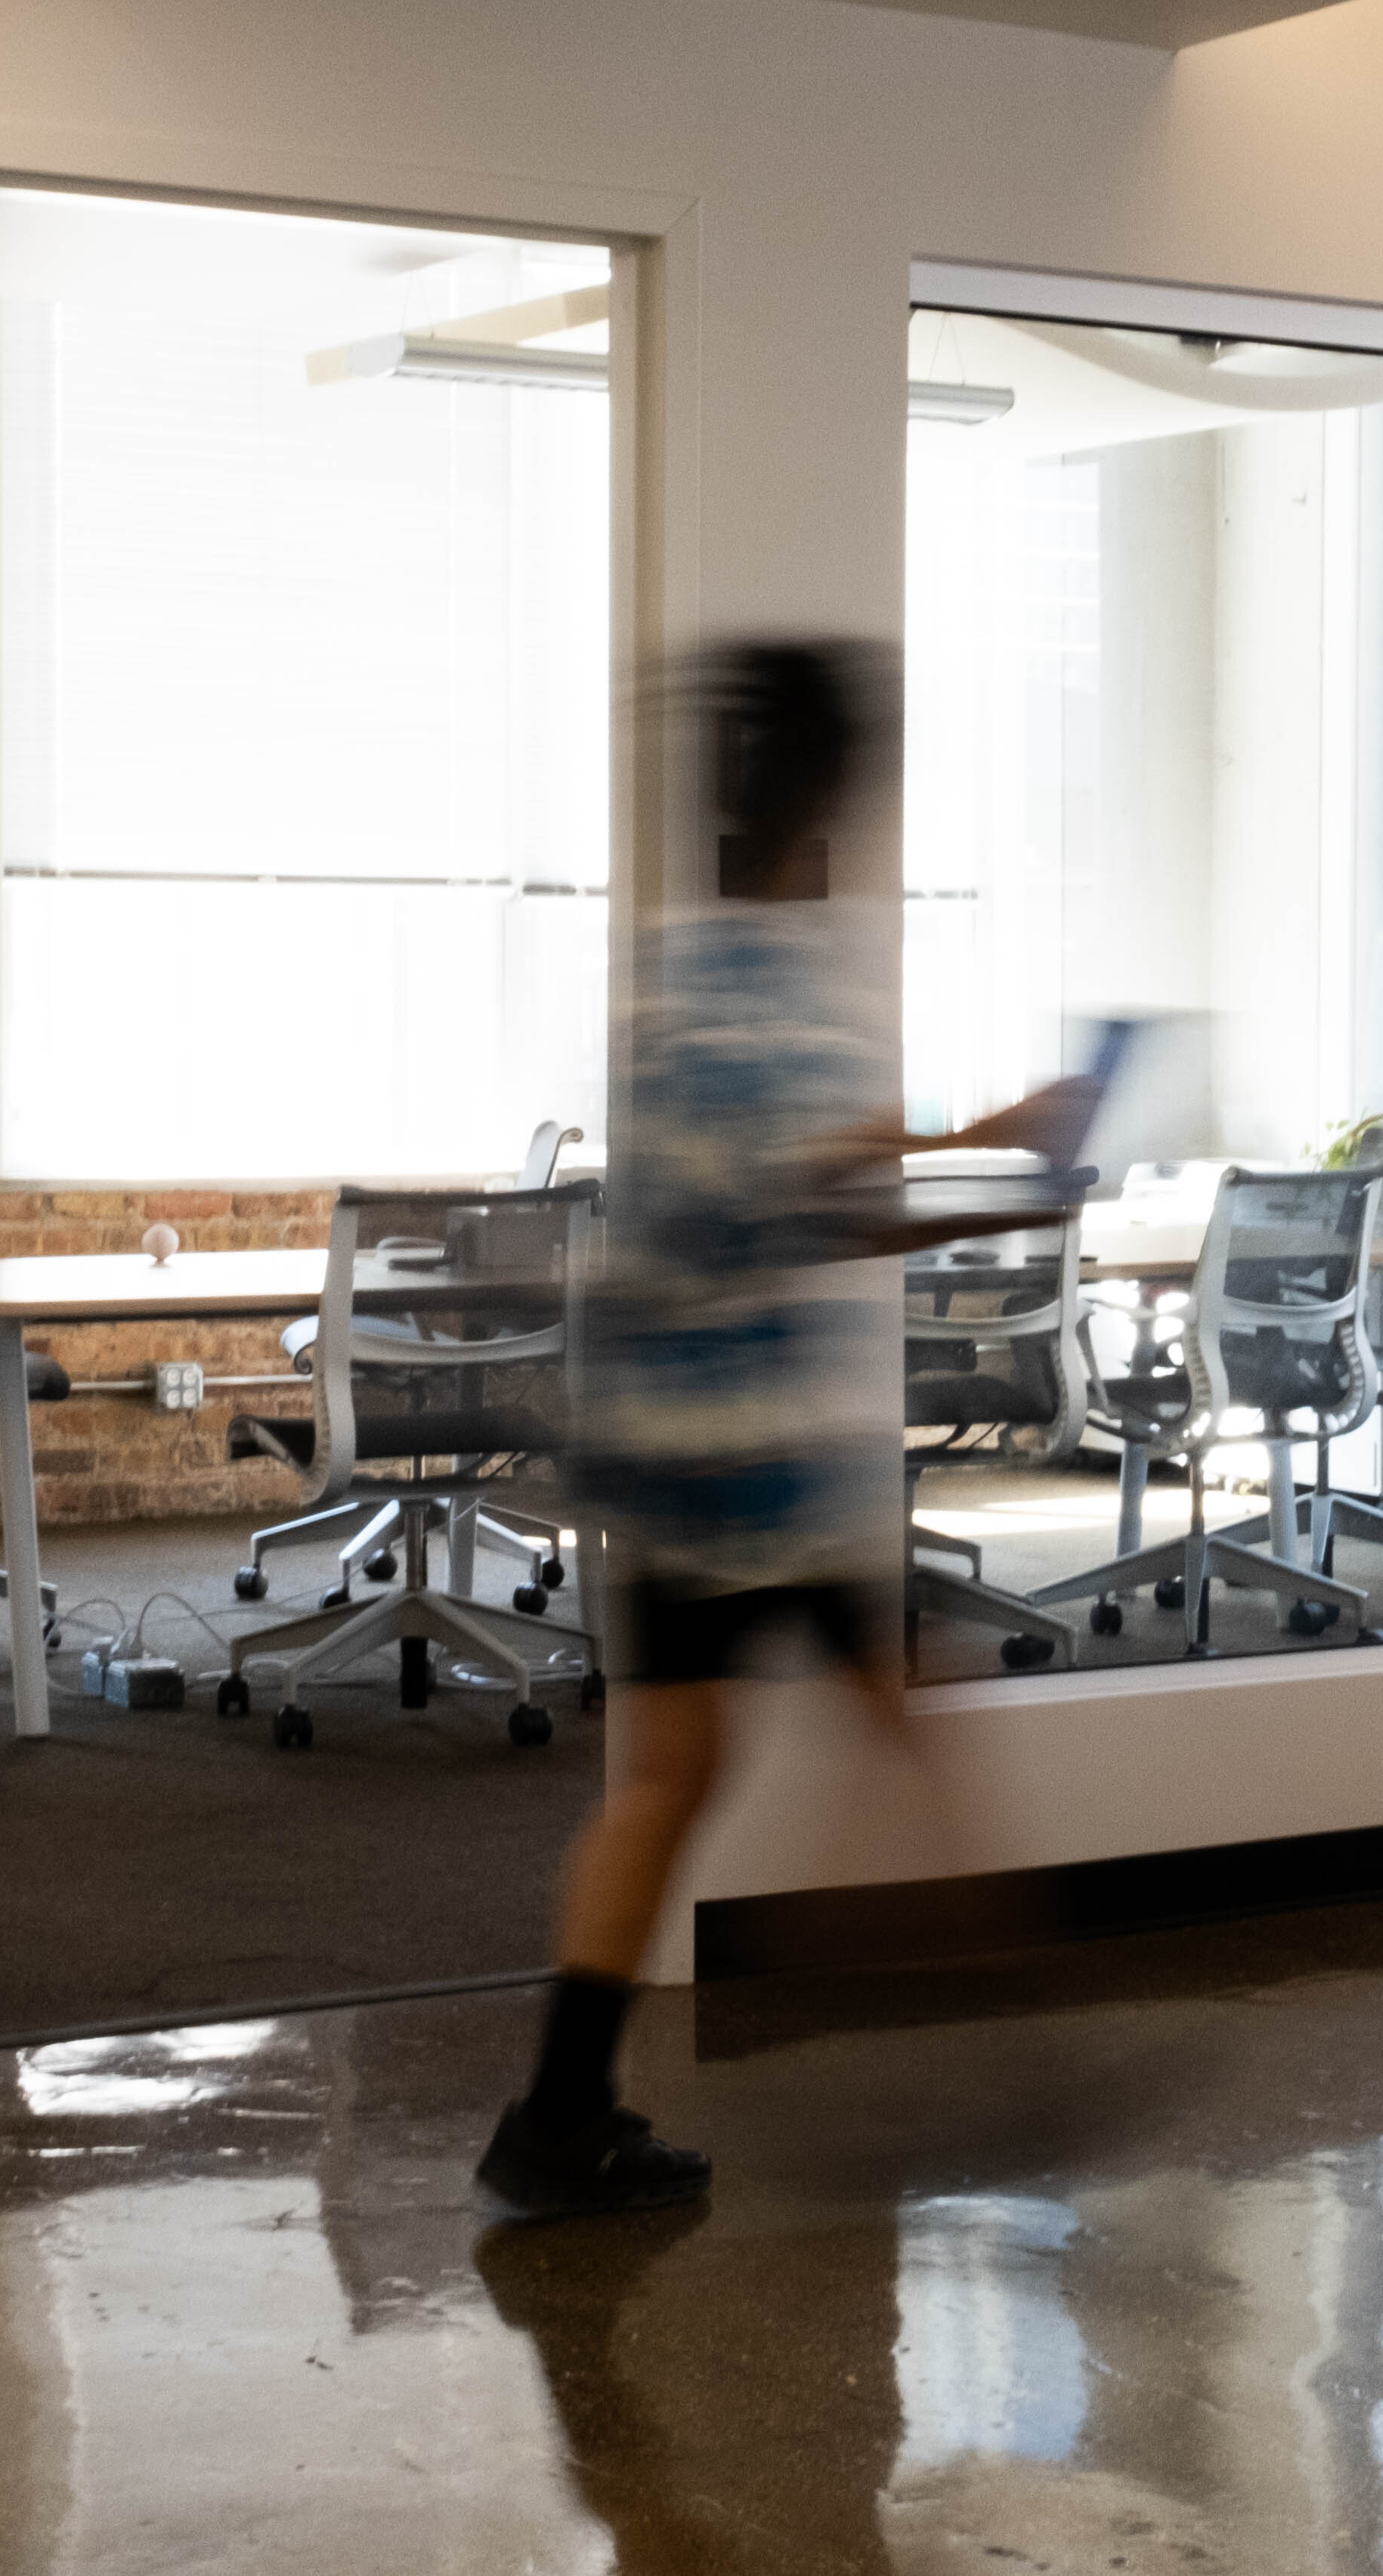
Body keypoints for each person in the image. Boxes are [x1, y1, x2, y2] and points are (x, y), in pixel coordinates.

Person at [477, 641, 1096, 2221]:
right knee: (908, 1717)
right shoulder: (790, 992)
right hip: (755, 1468)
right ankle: (1022, 2072)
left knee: (672, 1776)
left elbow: (810, 1168)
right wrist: (1013, 1178)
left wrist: (979, 1148)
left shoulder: (671, 978)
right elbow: (838, 1200)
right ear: (829, 806)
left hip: (656, 1444)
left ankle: (559, 2112)